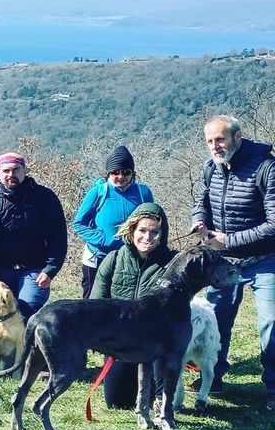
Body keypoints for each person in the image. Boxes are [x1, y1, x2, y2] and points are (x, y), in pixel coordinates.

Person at [190, 115, 275, 407]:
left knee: (271, 322)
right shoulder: (210, 168)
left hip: (264, 260)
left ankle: (274, 390)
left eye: (220, 139)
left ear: (237, 138)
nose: (215, 146)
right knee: (215, 321)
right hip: (222, 263)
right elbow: (200, 202)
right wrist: (199, 222)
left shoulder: (267, 168)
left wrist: (230, 240)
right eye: (210, 141)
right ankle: (212, 379)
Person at [90, 204, 175, 408]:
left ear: (162, 235)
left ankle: (162, 397)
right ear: (131, 231)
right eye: (142, 231)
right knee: (117, 403)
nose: (148, 237)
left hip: (155, 344)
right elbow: (95, 306)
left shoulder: (172, 263)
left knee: (157, 401)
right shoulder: (114, 259)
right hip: (120, 342)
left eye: (155, 232)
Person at [0, 152, 68, 321]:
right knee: (3, 315)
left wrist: (50, 270)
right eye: (6, 171)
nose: (11, 175)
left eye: (15, 169)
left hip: (35, 270)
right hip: (2, 271)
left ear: (25, 170)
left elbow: (58, 237)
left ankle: (29, 347)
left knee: (27, 311)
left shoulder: (45, 198)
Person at [72, 145, 154, 298]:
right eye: (115, 172)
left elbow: (154, 222)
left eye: (126, 172)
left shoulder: (143, 193)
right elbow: (78, 224)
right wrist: (101, 239)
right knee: (92, 305)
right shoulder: (98, 192)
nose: (121, 176)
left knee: (124, 305)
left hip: (130, 260)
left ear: (133, 173)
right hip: (97, 257)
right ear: (108, 173)